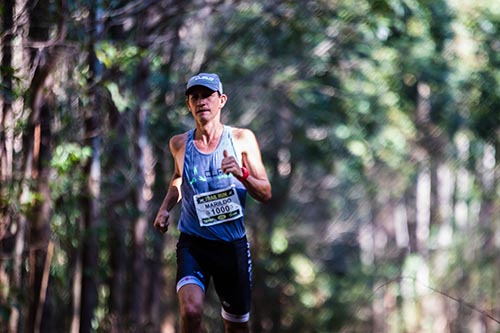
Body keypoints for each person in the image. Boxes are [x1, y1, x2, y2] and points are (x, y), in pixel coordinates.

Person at [153, 73, 272, 333]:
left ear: (222, 100)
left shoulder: (241, 140)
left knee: (236, 326)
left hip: (232, 247)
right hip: (194, 244)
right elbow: (178, 178)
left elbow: (265, 192)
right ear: (188, 104)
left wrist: (242, 174)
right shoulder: (179, 144)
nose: (201, 102)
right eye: (194, 97)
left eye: (207, 95)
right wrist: (164, 208)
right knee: (191, 312)